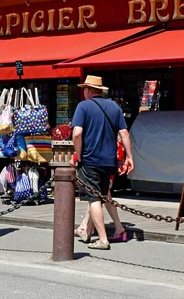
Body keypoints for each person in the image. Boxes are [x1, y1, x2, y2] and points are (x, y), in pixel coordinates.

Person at [70, 75, 133, 250]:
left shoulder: (83, 107)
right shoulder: (114, 107)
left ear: (88, 90)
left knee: (93, 199)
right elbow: (125, 134)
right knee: (103, 195)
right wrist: (129, 157)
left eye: (84, 88)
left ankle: (103, 238)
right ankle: (88, 230)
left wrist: (78, 154)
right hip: (108, 160)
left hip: (90, 159)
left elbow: (77, 134)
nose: (83, 92)